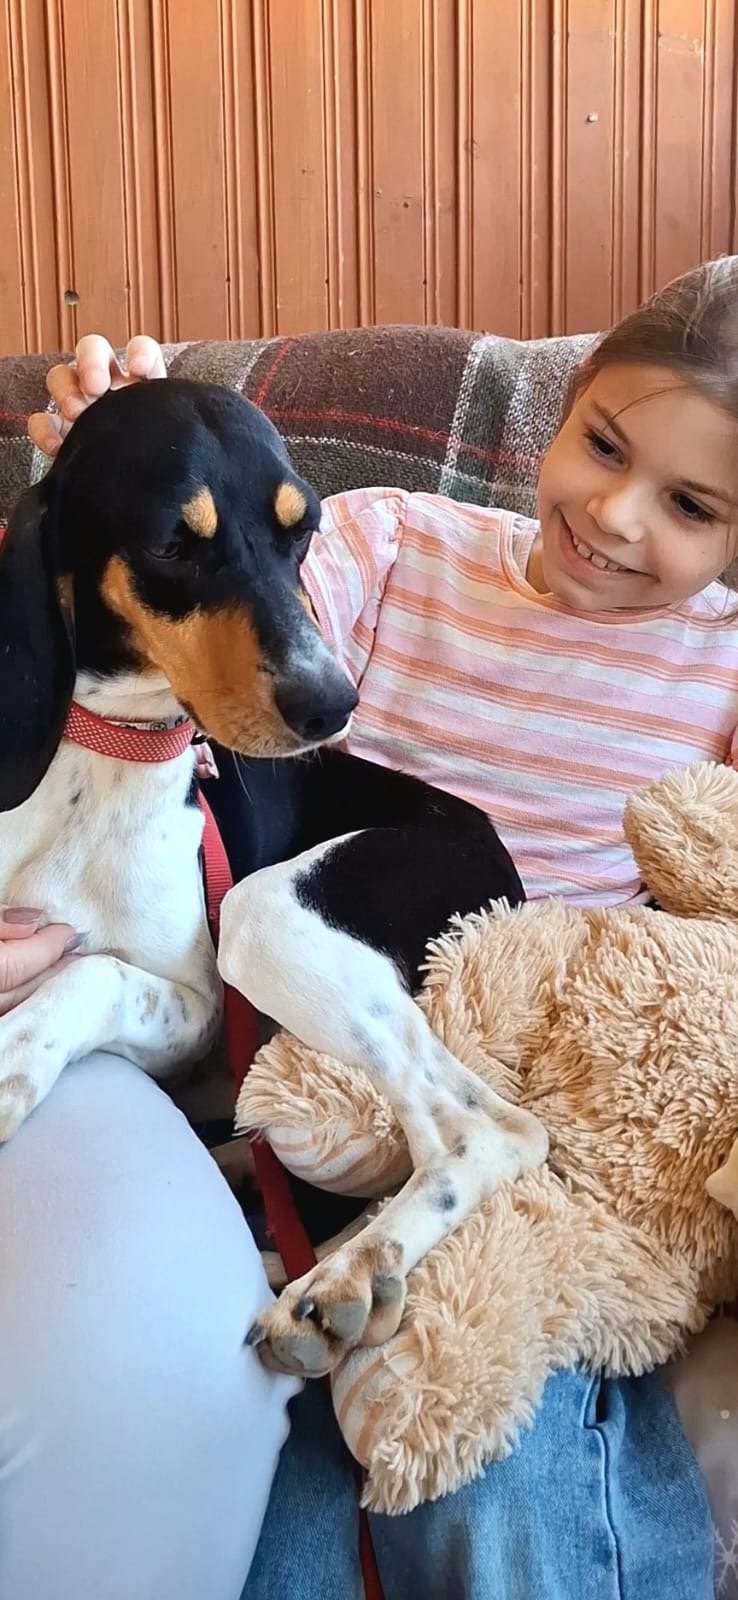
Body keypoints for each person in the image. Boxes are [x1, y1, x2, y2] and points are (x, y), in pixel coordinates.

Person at [6, 258, 736, 1600]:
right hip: (311, 1045)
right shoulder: (392, 539)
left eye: (692, 505)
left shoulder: (727, 667)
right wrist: (121, 455)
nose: (616, 515)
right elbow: (230, 646)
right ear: (568, 402)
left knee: (491, 1499)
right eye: (602, 445)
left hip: (550, 1068)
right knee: (274, 1523)